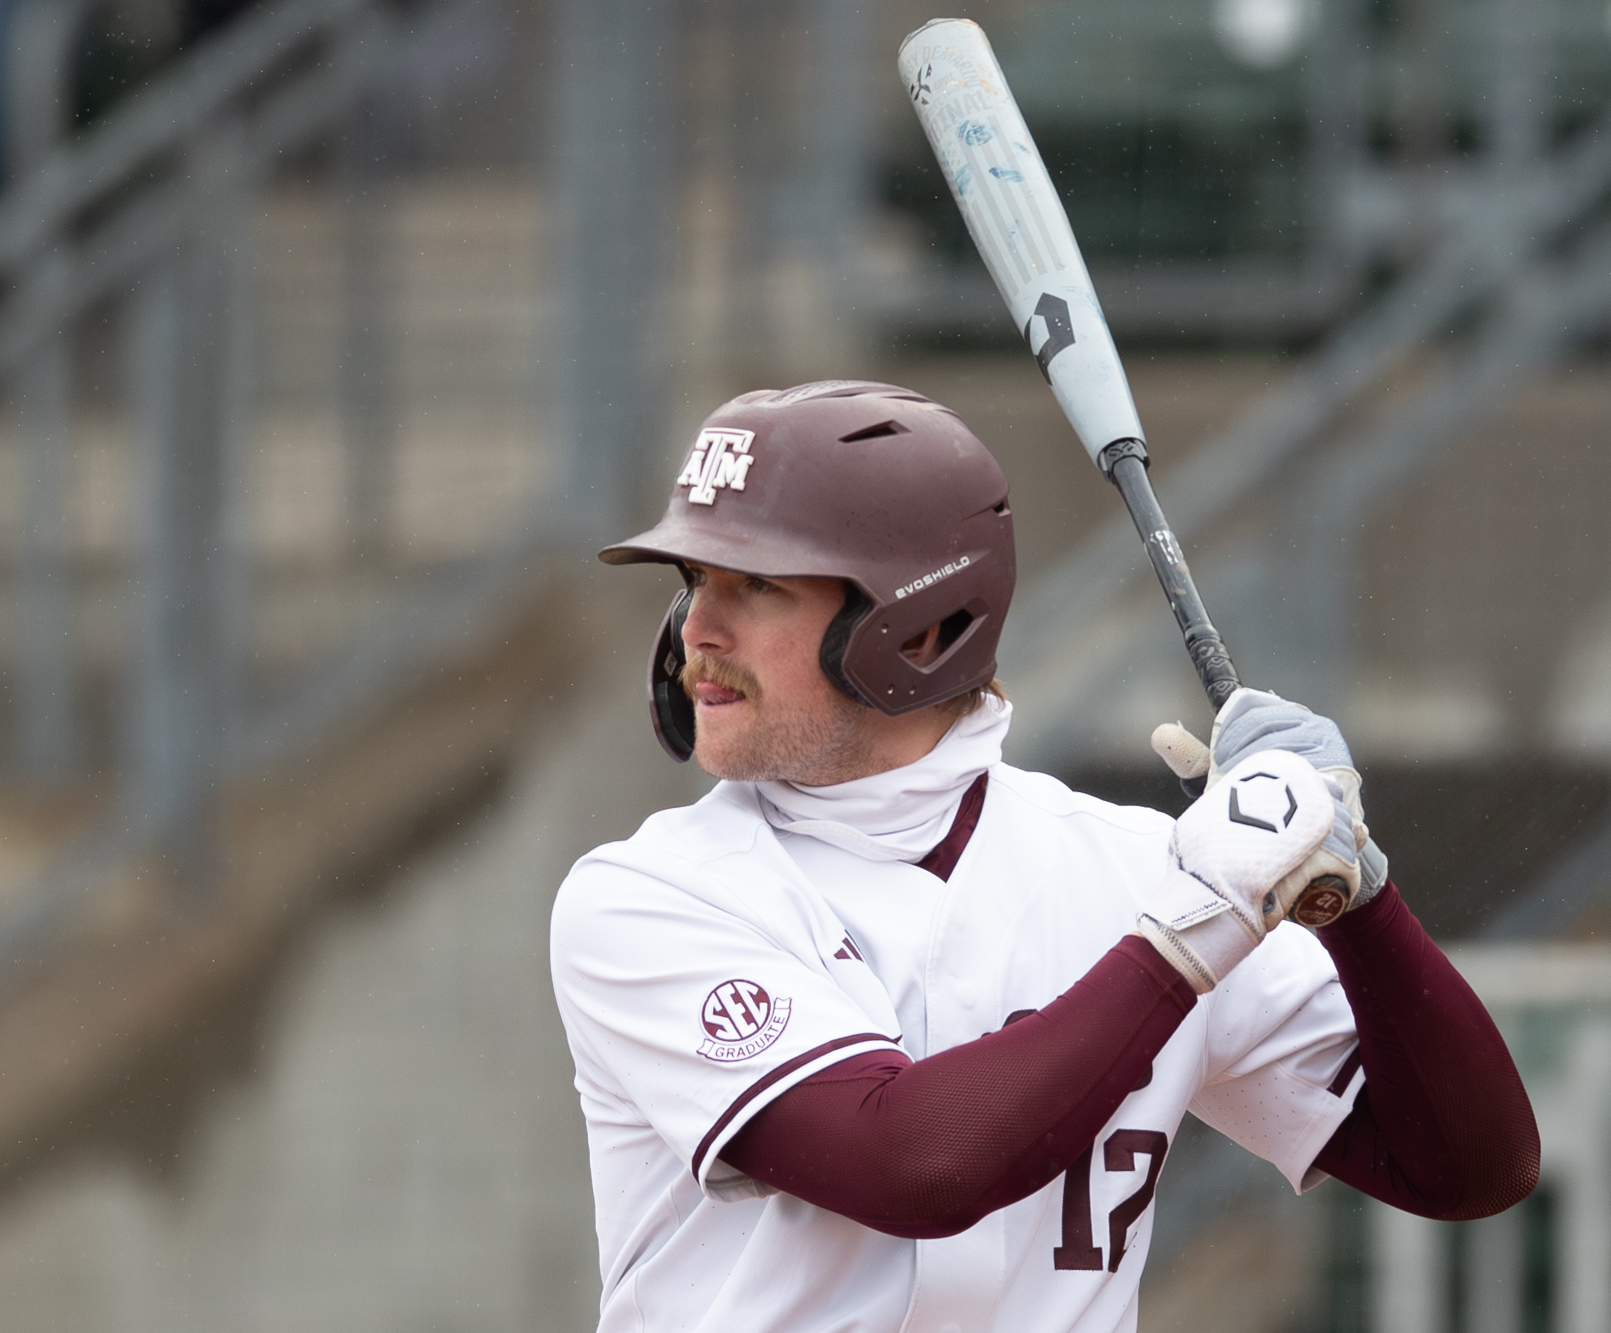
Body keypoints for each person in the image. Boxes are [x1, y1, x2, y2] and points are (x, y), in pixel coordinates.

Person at [548, 381, 1539, 1333]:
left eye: (754, 585)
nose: (695, 631)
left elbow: (1468, 1167)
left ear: (920, 624)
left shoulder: (1134, 869)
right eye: (693, 580)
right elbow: (915, 1166)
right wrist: (1201, 923)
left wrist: (1357, 899)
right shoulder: (645, 898)